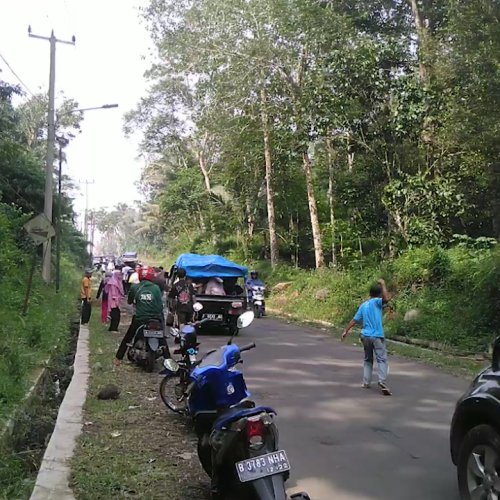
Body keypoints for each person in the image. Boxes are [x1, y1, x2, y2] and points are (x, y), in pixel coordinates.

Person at [342, 278, 392, 396]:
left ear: (369, 293)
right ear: (379, 294)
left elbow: (354, 320)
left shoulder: (363, 305)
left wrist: (345, 331)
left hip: (365, 336)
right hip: (376, 336)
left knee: (368, 359)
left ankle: (366, 382)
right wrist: (383, 284)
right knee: (382, 359)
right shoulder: (377, 302)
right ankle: (382, 381)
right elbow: (386, 298)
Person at [113, 266, 164, 365]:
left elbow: (129, 301)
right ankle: (168, 359)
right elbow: (160, 305)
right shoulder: (156, 288)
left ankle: (118, 358)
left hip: (140, 318)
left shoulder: (135, 287)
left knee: (128, 336)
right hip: (155, 318)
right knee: (162, 339)